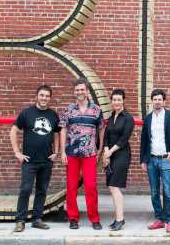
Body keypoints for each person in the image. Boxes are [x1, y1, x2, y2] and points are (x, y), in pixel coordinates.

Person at [10, 84, 61, 232]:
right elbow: (13, 131)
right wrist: (17, 152)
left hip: (46, 160)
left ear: (50, 98)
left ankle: (37, 219)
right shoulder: (27, 113)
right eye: (42, 95)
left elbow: (57, 133)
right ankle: (20, 220)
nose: (44, 98)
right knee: (25, 189)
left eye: (47, 96)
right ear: (37, 96)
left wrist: (56, 151)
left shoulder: (53, 115)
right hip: (29, 161)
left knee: (42, 190)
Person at [60, 78, 105, 230]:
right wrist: (62, 152)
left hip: (90, 153)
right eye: (77, 90)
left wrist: (100, 148)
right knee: (71, 186)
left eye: (82, 89)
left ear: (87, 91)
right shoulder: (68, 109)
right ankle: (73, 217)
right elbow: (63, 129)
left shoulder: (96, 110)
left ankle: (94, 218)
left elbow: (101, 128)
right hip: (71, 152)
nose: (80, 92)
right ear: (74, 92)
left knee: (91, 186)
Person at [140, 88, 170, 233]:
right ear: (152, 101)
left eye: (160, 99)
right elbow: (144, 141)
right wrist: (143, 160)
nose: (157, 102)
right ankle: (160, 219)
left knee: (167, 191)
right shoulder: (147, 118)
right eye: (155, 99)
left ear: (164, 101)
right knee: (154, 192)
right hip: (152, 160)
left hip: (166, 159)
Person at [102, 88, 135, 231]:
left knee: (114, 186)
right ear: (111, 101)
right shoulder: (110, 117)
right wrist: (105, 153)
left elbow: (123, 139)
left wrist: (109, 152)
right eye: (114, 99)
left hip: (122, 154)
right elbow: (106, 138)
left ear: (123, 101)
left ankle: (120, 219)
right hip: (110, 154)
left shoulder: (128, 118)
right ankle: (118, 218)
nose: (116, 102)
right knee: (111, 187)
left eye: (119, 100)